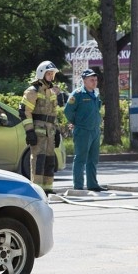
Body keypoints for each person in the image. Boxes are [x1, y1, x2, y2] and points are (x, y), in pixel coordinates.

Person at [21, 60, 65, 193]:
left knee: (50, 160)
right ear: (41, 74)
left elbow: (53, 113)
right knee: (38, 160)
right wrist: (29, 131)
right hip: (38, 131)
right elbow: (24, 111)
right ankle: (37, 189)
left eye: (52, 74)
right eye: (49, 74)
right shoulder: (32, 91)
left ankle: (48, 188)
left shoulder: (51, 92)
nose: (51, 77)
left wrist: (57, 131)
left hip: (50, 131)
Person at [64, 68, 104, 191]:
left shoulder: (95, 94)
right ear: (84, 80)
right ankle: (79, 186)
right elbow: (68, 111)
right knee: (81, 158)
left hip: (94, 130)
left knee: (93, 159)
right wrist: (76, 122)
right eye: (91, 80)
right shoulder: (77, 94)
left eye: (95, 80)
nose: (94, 82)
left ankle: (92, 184)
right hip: (83, 130)